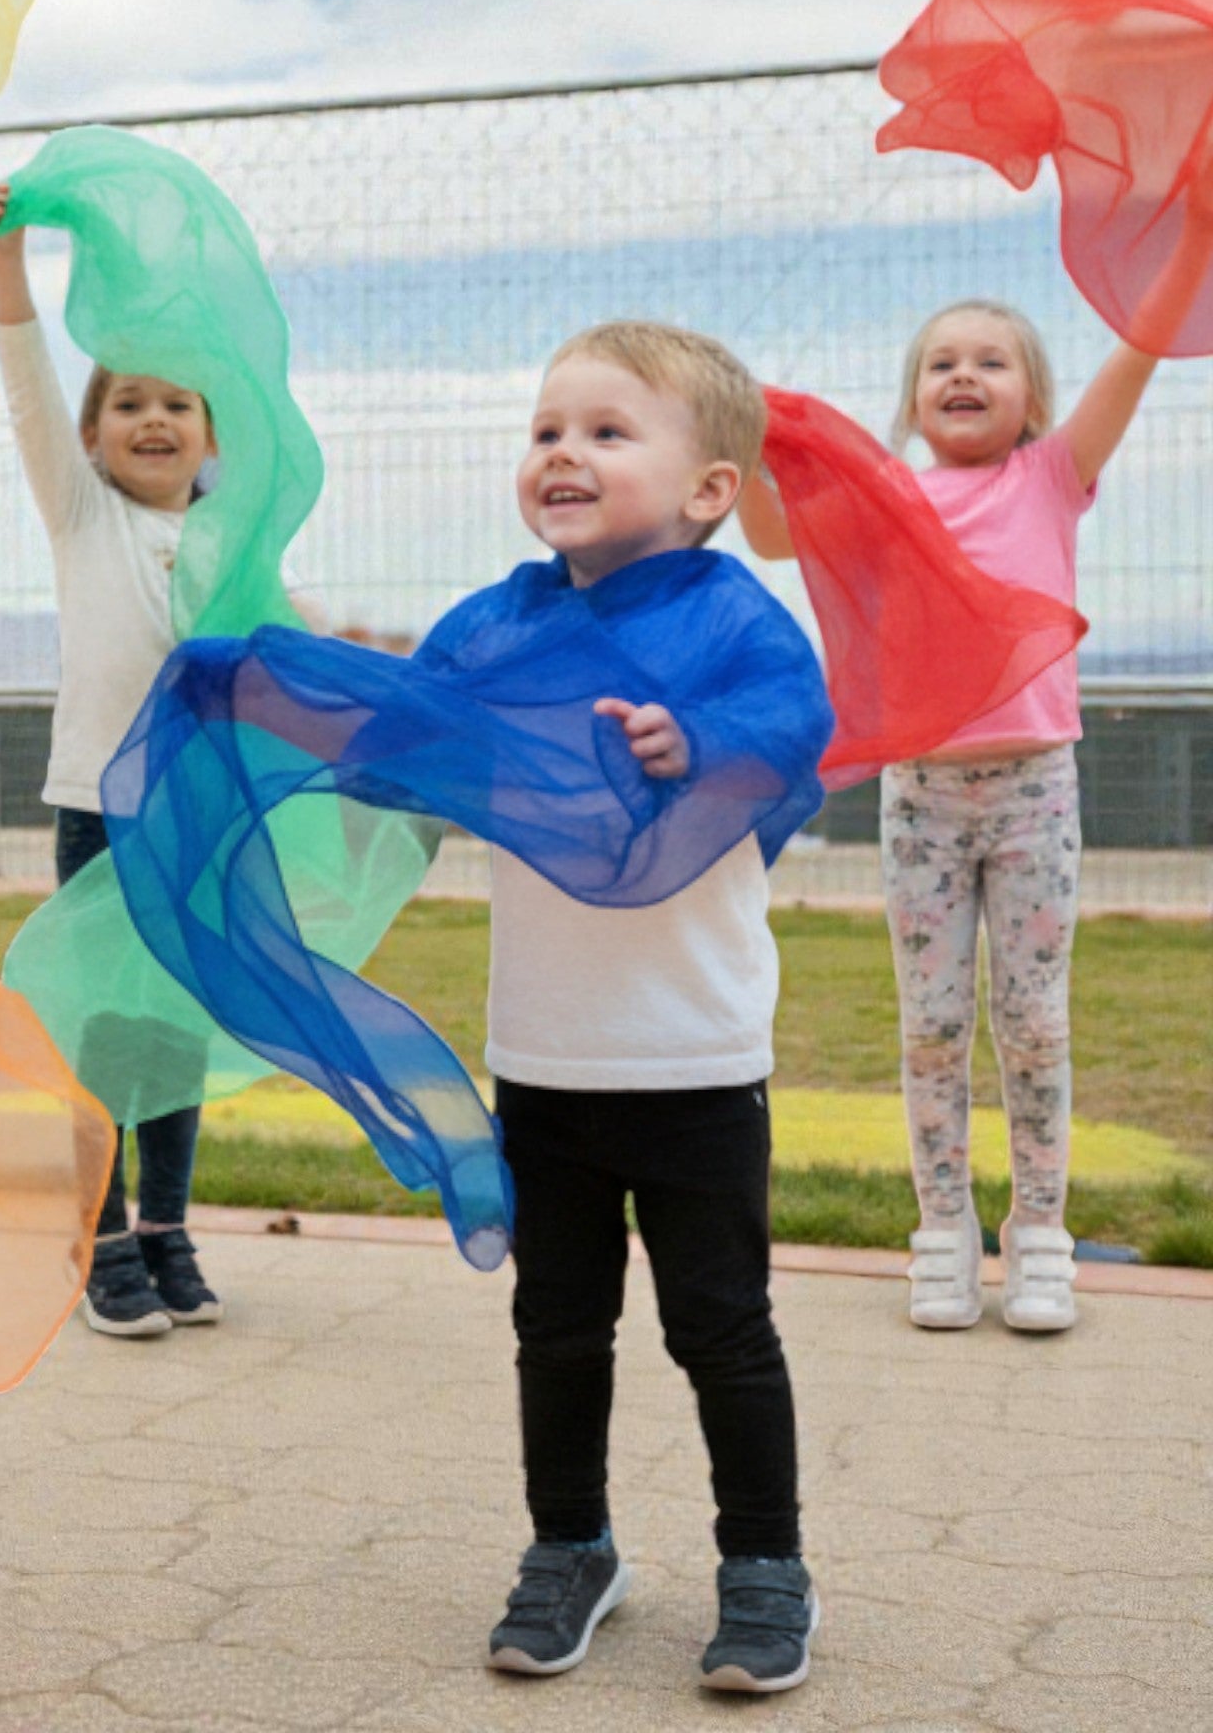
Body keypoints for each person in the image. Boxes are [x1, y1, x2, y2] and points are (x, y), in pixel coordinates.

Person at [486, 323, 826, 1695]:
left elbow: (794, 728)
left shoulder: (739, 619)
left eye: (608, 431)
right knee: (557, 1329)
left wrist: (701, 748)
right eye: (547, 427)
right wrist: (277, 683)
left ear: (710, 490)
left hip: (690, 1056)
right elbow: (411, 719)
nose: (564, 451)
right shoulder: (503, 619)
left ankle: (766, 1568)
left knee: (720, 1328)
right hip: (545, 1061)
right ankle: (572, 1547)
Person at [741, 303, 1162, 1335]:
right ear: (911, 397)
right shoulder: (886, 497)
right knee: (930, 1025)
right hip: (919, 795)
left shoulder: (1050, 478)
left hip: (1031, 790)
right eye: (938, 362)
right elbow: (763, 530)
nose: (961, 374)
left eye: (989, 361)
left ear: (1031, 398)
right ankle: (941, 1234)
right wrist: (748, 431)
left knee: (1030, 1020)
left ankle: (1039, 1235)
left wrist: (1182, 253)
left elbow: (1138, 352)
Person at [0, 176, 222, 1338]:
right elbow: (23, 381)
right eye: (128, 405)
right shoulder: (85, 517)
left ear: (216, 434)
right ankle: (100, 1231)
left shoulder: (234, 538)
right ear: (92, 435)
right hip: (99, 813)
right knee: (101, 1033)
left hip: (205, 821)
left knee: (175, 1030)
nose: (154, 419)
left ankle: (165, 1226)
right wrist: (7, 262)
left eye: (178, 402)